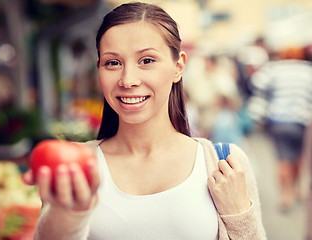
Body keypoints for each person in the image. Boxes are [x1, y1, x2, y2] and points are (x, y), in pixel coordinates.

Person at [23, 2, 266, 239]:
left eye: (146, 61)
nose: (128, 80)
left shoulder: (225, 163)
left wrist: (238, 215)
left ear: (178, 67)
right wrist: (66, 213)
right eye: (113, 63)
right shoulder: (75, 166)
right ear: (99, 70)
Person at [249, 46, 312, 212]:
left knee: (282, 159)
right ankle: (297, 188)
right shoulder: (308, 70)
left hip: (278, 121)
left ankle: (286, 195)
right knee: (298, 157)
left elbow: (256, 83)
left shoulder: (274, 69)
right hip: (302, 121)